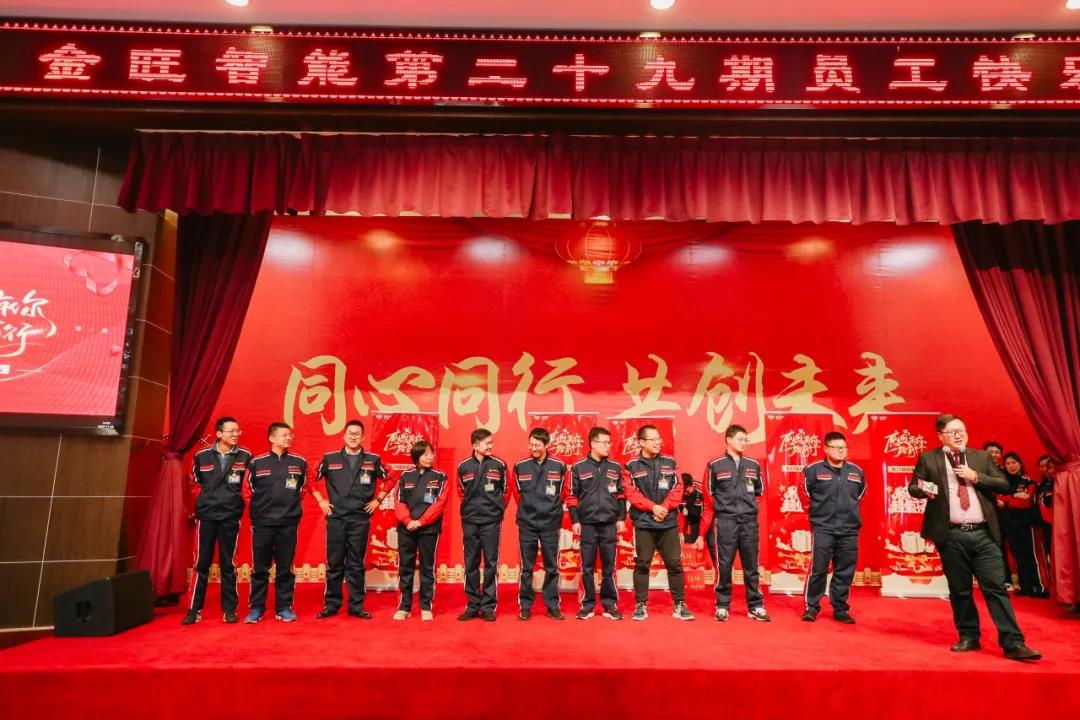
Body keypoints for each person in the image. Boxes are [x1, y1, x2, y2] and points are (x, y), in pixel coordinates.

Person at [907, 414, 1040, 661]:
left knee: (996, 588)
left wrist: (975, 477)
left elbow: (1003, 485)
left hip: (983, 534)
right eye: (952, 431)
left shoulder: (981, 457)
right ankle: (968, 636)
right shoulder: (928, 458)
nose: (959, 435)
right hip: (951, 535)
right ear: (940, 436)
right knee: (960, 590)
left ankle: (1013, 642)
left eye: (962, 430)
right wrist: (924, 489)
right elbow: (914, 486)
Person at [311, 420, 391, 620]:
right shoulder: (329, 458)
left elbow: (391, 477)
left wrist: (378, 500)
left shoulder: (373, 459)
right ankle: (332, 604)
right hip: (336, 518)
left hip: (360, 519)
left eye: (357, 434)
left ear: (362, 437)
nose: (353, 437)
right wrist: (321, 500)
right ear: (344, 436)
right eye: (350, 433)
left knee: (356, 564)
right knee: (334, 563)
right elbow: (310, 478)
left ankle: (356, 606)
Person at [182, 416, 253, 625]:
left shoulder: (245, 455)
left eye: (238, 431)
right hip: (206, 516)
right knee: (201, 563)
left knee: (228, 564)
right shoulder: (201, 456)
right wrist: (199, 507)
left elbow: (249, 487)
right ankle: (194, 610)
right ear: (219, 434)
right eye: (231, 431)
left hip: (231, 516)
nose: (236, 434)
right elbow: (194, 485)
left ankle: (229, 609)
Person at [700, 424, 770, 622]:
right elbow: (709, 493)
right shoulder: (715, 465)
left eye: (746, 439)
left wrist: (747, 507)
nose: (743, 443)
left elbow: (760, 492)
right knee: (724, 565)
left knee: (751, 566)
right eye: (740, 439)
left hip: (749, 523)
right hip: (726, 522)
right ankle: (722, 605)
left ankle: (755, 606)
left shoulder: (753, 465)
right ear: (728, 440)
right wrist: (726, 509)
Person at [624, 424, 694, 621]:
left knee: (675, 564)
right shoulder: (631, 466)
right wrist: (652, 507)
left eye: (658, 439)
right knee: (642, 565)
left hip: (668, 523)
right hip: (644, 524)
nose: (657, 442)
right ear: (641, 442)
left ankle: (679, 604)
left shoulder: (670, 462)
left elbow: (678, 488)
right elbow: (631, 493)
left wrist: (663, 507)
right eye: (652, 439)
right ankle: (641, 605)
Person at [245, 422, 307, 624]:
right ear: (271, 438)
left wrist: (289, 509)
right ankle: (256, 608)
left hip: (288, 523)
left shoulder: (299, 462)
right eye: (284, 435)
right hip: (262, 524)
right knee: (260, 568)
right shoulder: (257, 463)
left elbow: (301, 491)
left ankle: (284, 607)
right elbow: (247, 492)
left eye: (290, 435)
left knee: (285, 569)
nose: (289, 438)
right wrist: (260, 512)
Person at [800, 431, 865, 624]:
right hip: (823, 528)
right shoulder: (812, 470)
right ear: (826, 449)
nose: (840, 451)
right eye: (835, 447)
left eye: (843, 448)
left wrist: (847, 511)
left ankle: (840, 608)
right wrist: (818, 514)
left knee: (845, 570)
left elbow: (860, 494)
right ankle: (812, 607)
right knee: (819, 569)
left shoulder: (856, 471)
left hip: (849, 529)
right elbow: (804, 495)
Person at [567, 426, 626, 620]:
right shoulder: (578, 467)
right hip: (587, 524)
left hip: (609, 524)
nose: (608, 446)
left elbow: (621, 495)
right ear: (593, 444)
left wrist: (621, 518)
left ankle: (610, 605)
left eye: (610, 442)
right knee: (587, 567)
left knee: (609, 567)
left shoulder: (615, 467)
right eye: (605, 442)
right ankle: (587, 605)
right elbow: (572, 497)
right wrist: (575, 520)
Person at [511, 428, 568, 621]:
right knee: (527, 568)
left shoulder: (559, 465)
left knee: (551, 567)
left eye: (537, 445)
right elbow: (517, 494)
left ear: (546, 445)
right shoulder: (520, 466)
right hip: (527, 523)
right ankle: (525, 606)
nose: (533, 448)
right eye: (531, 444)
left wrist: (551, 510)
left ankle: (552, 605)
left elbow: (563, 493)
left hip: (550, 523)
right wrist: (527, 510)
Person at [456, 428, 508, 622]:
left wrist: (497, 510)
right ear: (475, 445)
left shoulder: (499, 465)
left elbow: (506, 491)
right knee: (471, 564)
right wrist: (470, 510)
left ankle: (488, 607)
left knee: (491, 564)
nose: (490, 446)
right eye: (487, 443)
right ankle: (472, 605)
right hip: (470, 522)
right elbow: (461, 492)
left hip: (491, 522)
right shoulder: (463, 466)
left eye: (491, 442)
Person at [393, 440, 449, 621]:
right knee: (405, 567)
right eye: (425, 454)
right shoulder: (405, 476)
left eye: (431, 453)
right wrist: (408, 521)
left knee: (427, 568)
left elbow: (440, 503)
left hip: (429, 529)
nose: (429, 457)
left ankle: (426, 606)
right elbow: (398, 500)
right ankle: (404, 607)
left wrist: (421, 521)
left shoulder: (440, 477)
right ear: (416, 457)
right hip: (406, 528)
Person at [1000, 452, 1049, 598]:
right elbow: (997, 499)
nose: (1011, 466)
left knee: (1034, 557)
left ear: (1020, 464)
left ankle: (1041, 588)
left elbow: (1025, 503)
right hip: (1011, 525)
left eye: (1014, 462)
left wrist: (1006, 501)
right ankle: (1026, 587)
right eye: (1008, 463)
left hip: (1030, 525)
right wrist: (1014, 496)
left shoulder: (1029, 481)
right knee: (1019, 557)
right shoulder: (1003, 483)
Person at [985, 441, 1014, 589]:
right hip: (983, 514)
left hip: (1002, 515)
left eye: (997, 452)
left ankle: (1006, 578)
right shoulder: (978, 471)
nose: (994, 454)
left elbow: (1012, 491)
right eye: (991, 451)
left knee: (1001, 546)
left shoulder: (1006, 472)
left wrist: (1005, 501)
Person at [680, 473, 716, 569]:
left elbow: (707, 513)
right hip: (694, 521)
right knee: (692, 545)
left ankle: (718, 569)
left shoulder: (702, 490)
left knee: (712, 545)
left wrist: (701, 536)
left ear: (692, 484)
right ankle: (695, 571)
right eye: (684, 491)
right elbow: (683, 515)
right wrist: (681, 532)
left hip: (707, 519)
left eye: (687, 490)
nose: (686, 493)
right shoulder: (681, 493)